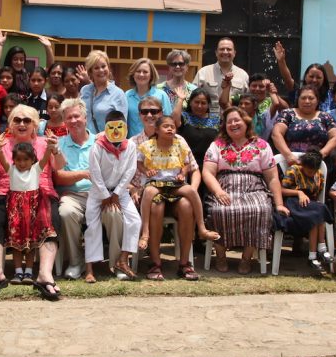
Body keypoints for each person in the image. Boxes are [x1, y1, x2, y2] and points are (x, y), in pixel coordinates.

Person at [0, 104, 65, 300]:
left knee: (50, 216)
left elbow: (58, 166)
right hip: (5, 191)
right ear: (10, 124)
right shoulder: (2, 142)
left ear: (35, 124)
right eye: (17, 120)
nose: (22, 124)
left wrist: (56, 150)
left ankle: (44, 273)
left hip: (40, 191)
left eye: (27, 120)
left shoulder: (44, 143)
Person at [202, 107, 286, 274]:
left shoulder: (262, 145)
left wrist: (279, 204)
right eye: (229, 121)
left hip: (254, 188)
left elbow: (272, 178)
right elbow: (207, 172)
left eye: (237, 120)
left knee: (260, 210)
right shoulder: (217, 145)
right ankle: (220, 255)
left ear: (246, 122)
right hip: (225, 187)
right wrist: (218, 192)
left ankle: (247, 258)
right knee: (219, 210)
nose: (233, 124)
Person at [138, 114, 220, 281]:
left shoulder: (180, 143)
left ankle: (200, 231)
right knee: (150, 196)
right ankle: (146, 236)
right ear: (156, 130)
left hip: (175, 184)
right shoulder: (148, 145)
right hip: (157, 184)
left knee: (189, 194)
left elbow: (188, 163)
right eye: (166, 126)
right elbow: (139, 163)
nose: (170, 129)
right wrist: (147, 171)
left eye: (173, 127)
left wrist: (183, 172)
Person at [53, 98, 123, 280]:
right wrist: (84, 174)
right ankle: (76, 262)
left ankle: (116, 263)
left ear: (85, 118)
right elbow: (58, 177)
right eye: (69, 118)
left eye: (77, 116)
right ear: (64, 121)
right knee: (66, 212)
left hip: (101, 194)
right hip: (72, 195)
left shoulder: (102, 141)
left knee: (114, 214)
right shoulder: (59, 144)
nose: (74, 121)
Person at [85, 110, 140, 282]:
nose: (116, 131)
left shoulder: (130, 146)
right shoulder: (98, 146)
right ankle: (89, 269)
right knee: (92, 224)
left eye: (119, 127)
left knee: (135, 220)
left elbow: (131, 170)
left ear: (125, 127)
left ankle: (123, 259)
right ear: (105, 128)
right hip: (97, 192)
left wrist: (116, 193)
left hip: (120, 191)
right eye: (112, 127)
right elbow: (94, 171)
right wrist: (104, 195)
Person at [0, 135, 59, 285]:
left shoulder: (36, 169)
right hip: (15, 210)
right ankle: (18, 272)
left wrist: (51, 145)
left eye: (26, 159)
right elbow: (2, 158)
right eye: (18, 160)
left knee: (31, 243)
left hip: (33, 210)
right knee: (16, 242)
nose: (22, 163)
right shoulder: (11, 170)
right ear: (14, 160)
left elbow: (45, 158)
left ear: (32, 160)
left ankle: (29, 272)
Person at [278, 149, 333, 274]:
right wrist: (298, 192)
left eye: (313, 171)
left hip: (309, 204)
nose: (311, 173)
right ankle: (321, 249)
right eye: (309, 170)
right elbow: (281, 190)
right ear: (303, 165)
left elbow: (317, 194)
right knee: (317, 212)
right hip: (293, 202)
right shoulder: (294, 170)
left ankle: (313, 256)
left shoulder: (319, 174)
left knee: (317, 212)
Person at [272, 85, 336, 165]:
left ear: (317, 100)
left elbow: (334, 138)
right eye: (303, 98)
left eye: (311, 98)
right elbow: (276, 134)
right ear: (298, 100)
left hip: (318, 164)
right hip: (290, 162)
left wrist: (320, 155)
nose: (307, 101)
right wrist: (288, 155)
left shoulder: (326, 116)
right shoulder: (287, 114)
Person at [192, 37, 249, 121]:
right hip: (207, 122)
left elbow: (247, 101)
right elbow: (193, 97)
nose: (225, 52)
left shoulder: (243, 75)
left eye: (229, 49)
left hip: (233, 122)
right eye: (222, 49)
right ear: (216, 52)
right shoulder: (203, 72)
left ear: (234, 53)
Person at [273, 41, 334, 111]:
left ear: (324, 79)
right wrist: (281, 61)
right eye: (311, 76)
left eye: (318, 77)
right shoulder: (298, 93)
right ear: (305, 77)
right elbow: (288, 79)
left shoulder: (331, 95)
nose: (314, 80)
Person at [0, 30, 54, 96]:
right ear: (10, 60)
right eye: (15, 59)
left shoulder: (27, 75)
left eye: (22, 59)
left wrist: (48, 47)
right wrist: (0, 45)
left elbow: (50, 68)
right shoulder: (4, 75)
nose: (19, 62)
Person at [172, 89, 219, 178]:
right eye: (196, 102)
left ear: (208, 105)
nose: (199, 106)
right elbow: (174, 120)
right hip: (186, 164)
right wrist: (181, 99)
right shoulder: (185, 117)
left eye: (203, 103)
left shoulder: (216, 120)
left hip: (209, 165)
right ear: (190, 103)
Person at [80, 49, 128, 134]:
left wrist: (102, 138)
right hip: (85, 143)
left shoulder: (118, 94)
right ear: (90, 72)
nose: (101, 70)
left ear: (108, 68)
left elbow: (122, 126)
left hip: (107, 144)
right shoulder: (85, 90)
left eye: (103, 66)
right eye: (96, 68)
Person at [125, 58, 172, 137]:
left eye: (145, 72)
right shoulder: (127, 95)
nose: (141, 74)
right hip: (133, 144)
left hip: (156, 143)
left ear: (151, 75)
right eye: (138, 71)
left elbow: (168, 121)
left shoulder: (161, 95)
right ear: (133, 74)